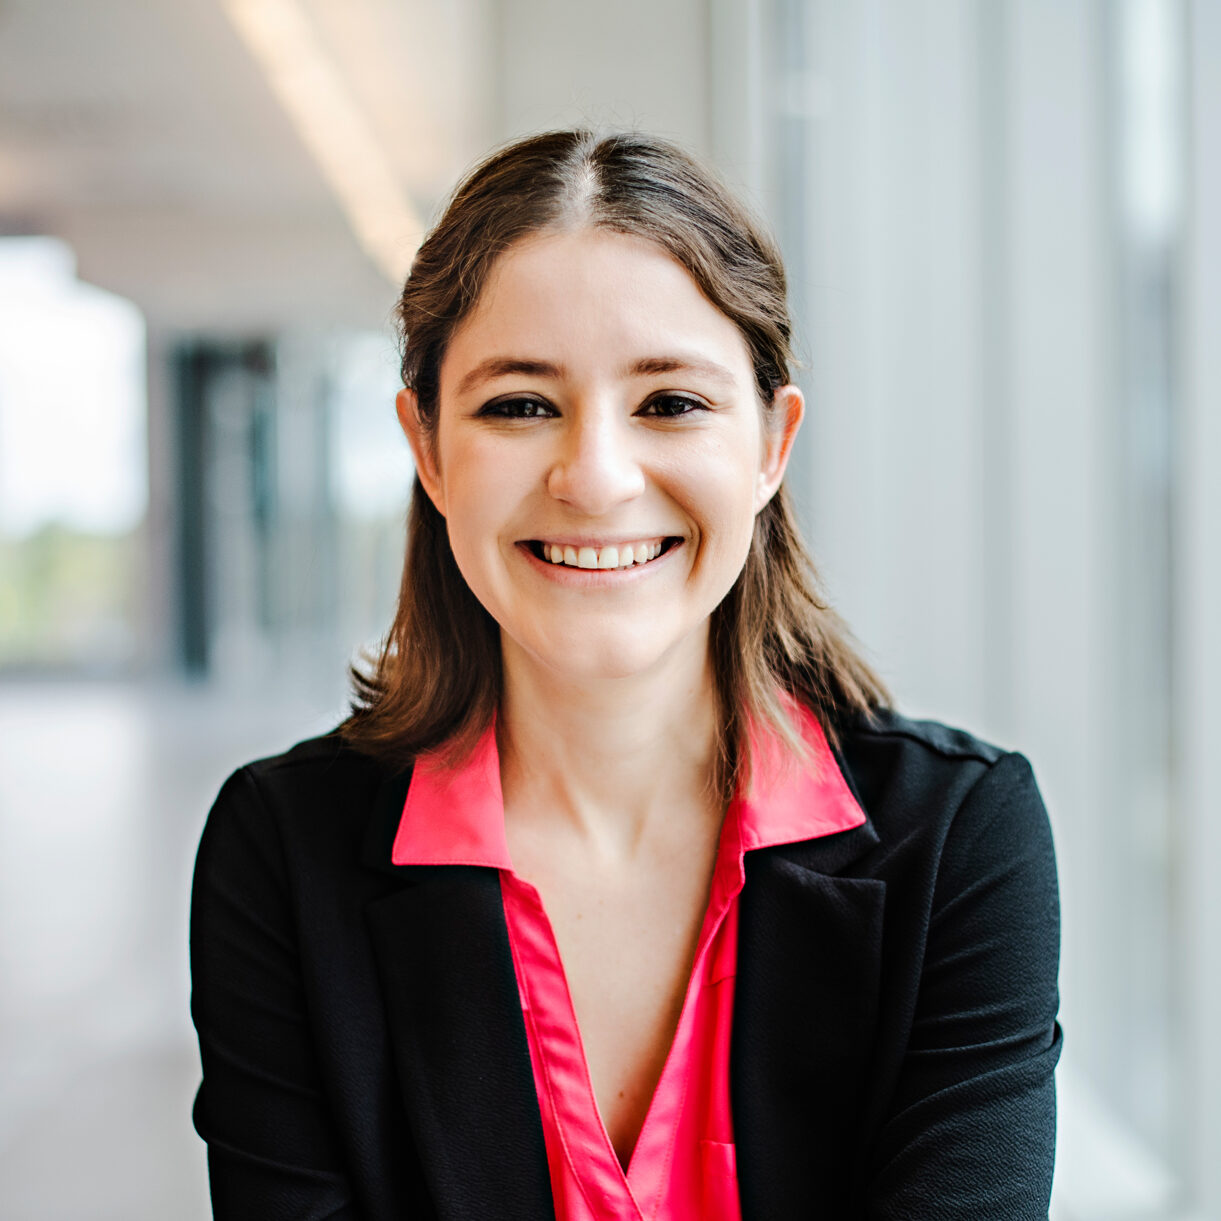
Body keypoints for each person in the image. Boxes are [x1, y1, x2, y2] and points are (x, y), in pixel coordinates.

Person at [189, 129, 1062, 1220]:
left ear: (769, 446)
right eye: (520, 404)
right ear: (427, 446)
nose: (595, 480)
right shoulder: (283, 851)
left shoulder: (961, 840)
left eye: (671, 403)